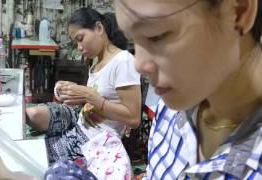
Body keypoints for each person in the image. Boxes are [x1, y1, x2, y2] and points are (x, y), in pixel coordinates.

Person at [44, 0, 262, 179]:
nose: (139, 64)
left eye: (157, 35)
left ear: (238, 12)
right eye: (134, 41)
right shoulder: (172, 109)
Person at [26, 7, 141, 179]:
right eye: (75, 42)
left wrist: (89, 96)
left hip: (96, 137)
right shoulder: (96, 62)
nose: (79, 47)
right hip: (79, 118)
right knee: (31, 114)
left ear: (99, 28)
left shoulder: (123, 61)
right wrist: (70, 91)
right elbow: (94, 96)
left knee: (34, 160)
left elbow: (133, 118)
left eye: (81, 39)